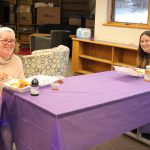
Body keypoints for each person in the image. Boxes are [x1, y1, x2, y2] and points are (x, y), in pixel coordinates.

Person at [0, 27, 25, 150]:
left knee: (7, 133)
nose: (9, 44)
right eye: (4, 40)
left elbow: (21, 83)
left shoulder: (17, 61)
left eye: (12, 41)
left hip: (9, 104)